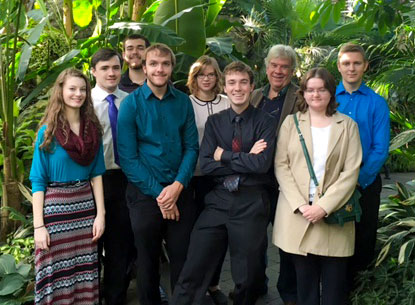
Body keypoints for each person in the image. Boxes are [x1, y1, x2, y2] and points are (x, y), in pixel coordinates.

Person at [172, 61, 277, 305]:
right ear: (225, 87)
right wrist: (246, 156)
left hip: (251, 200)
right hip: (219, 199)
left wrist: (225, 155)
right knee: (195, 263)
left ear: (252, 87)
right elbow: (207, 165)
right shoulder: (215, 122)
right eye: (232, 83)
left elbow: (261, 165)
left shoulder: (266, 121)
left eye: (243, 82)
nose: (237, 88)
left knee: (247, 275)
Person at [117, 43, 199, 305]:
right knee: (147, 260)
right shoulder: (131, 105)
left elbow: (191, 148)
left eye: (165, 63)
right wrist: (161, 195)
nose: (159, 69)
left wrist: (176, 188)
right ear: (144, 66)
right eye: (154, 63)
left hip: (180, 191)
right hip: (144, 195)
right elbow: (128, 159)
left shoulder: (183, 102)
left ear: (172, 67)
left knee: (182, 257)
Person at [273, 67, 362, 305]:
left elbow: (350, 172)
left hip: (332, 218)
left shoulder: (348, 125)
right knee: (306, 291)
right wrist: (302, 205)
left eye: (321, 89)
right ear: (303, 93)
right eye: (310, 90)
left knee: (334, 292)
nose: (315, 94)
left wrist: (323, 206)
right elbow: (282, 166)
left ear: (331, 93)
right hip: (299, 216)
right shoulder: (291, 124)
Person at [30, 68, 106, 305]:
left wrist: (100, 215)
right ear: (60, 91)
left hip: (85, 211)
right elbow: (38, 181)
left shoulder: (92, 131)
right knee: (54, 272)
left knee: (84, 272)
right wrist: (38, 226)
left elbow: (96, 175)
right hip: (56, 212)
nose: (78, 94)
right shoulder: (48, 133)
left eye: (83, 89)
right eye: (72, 88)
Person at [335, 43, 390, 286]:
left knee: (363, 241)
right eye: (346, 63)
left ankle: (359, 292)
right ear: (339, 66)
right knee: (333, 240)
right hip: (331, 184)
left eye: (357, 63)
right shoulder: (327, 98)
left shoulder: (377, 103)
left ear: (365, 66)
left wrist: (357, 180)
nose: (352, 68)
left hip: (364, 184)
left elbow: (380, 148)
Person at [250, 44, 299, 304]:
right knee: (256, 239)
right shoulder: (254, 96)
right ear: (266, 67)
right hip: (256, 181)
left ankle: (289, 291)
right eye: (274, 65)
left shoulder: (300, 97)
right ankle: (257, 285)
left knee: (286, 240)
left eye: (284, 67)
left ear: (292, 71)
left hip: (286, 182)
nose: (278, 71)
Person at [90, 48, 135, 305]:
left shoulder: (130, 100)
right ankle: (92, 296)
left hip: (125, 179)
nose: (111, 72)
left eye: (116, 67)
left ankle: (116, 298)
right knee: (92, 244)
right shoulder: (84, 102)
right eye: (105, 68)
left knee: (121, 245)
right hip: (93, 180)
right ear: (93, 71)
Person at [187, 55, 230, 305]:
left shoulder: (226, 103)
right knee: (196, 234)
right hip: (194, 177)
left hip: (220, 177)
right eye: (201, 74)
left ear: (217, 77)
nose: (206, 78)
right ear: (195, 78)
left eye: (211, 74)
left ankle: (214, 284)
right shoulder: (186, 103)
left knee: (219, 233)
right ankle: (197, 286)